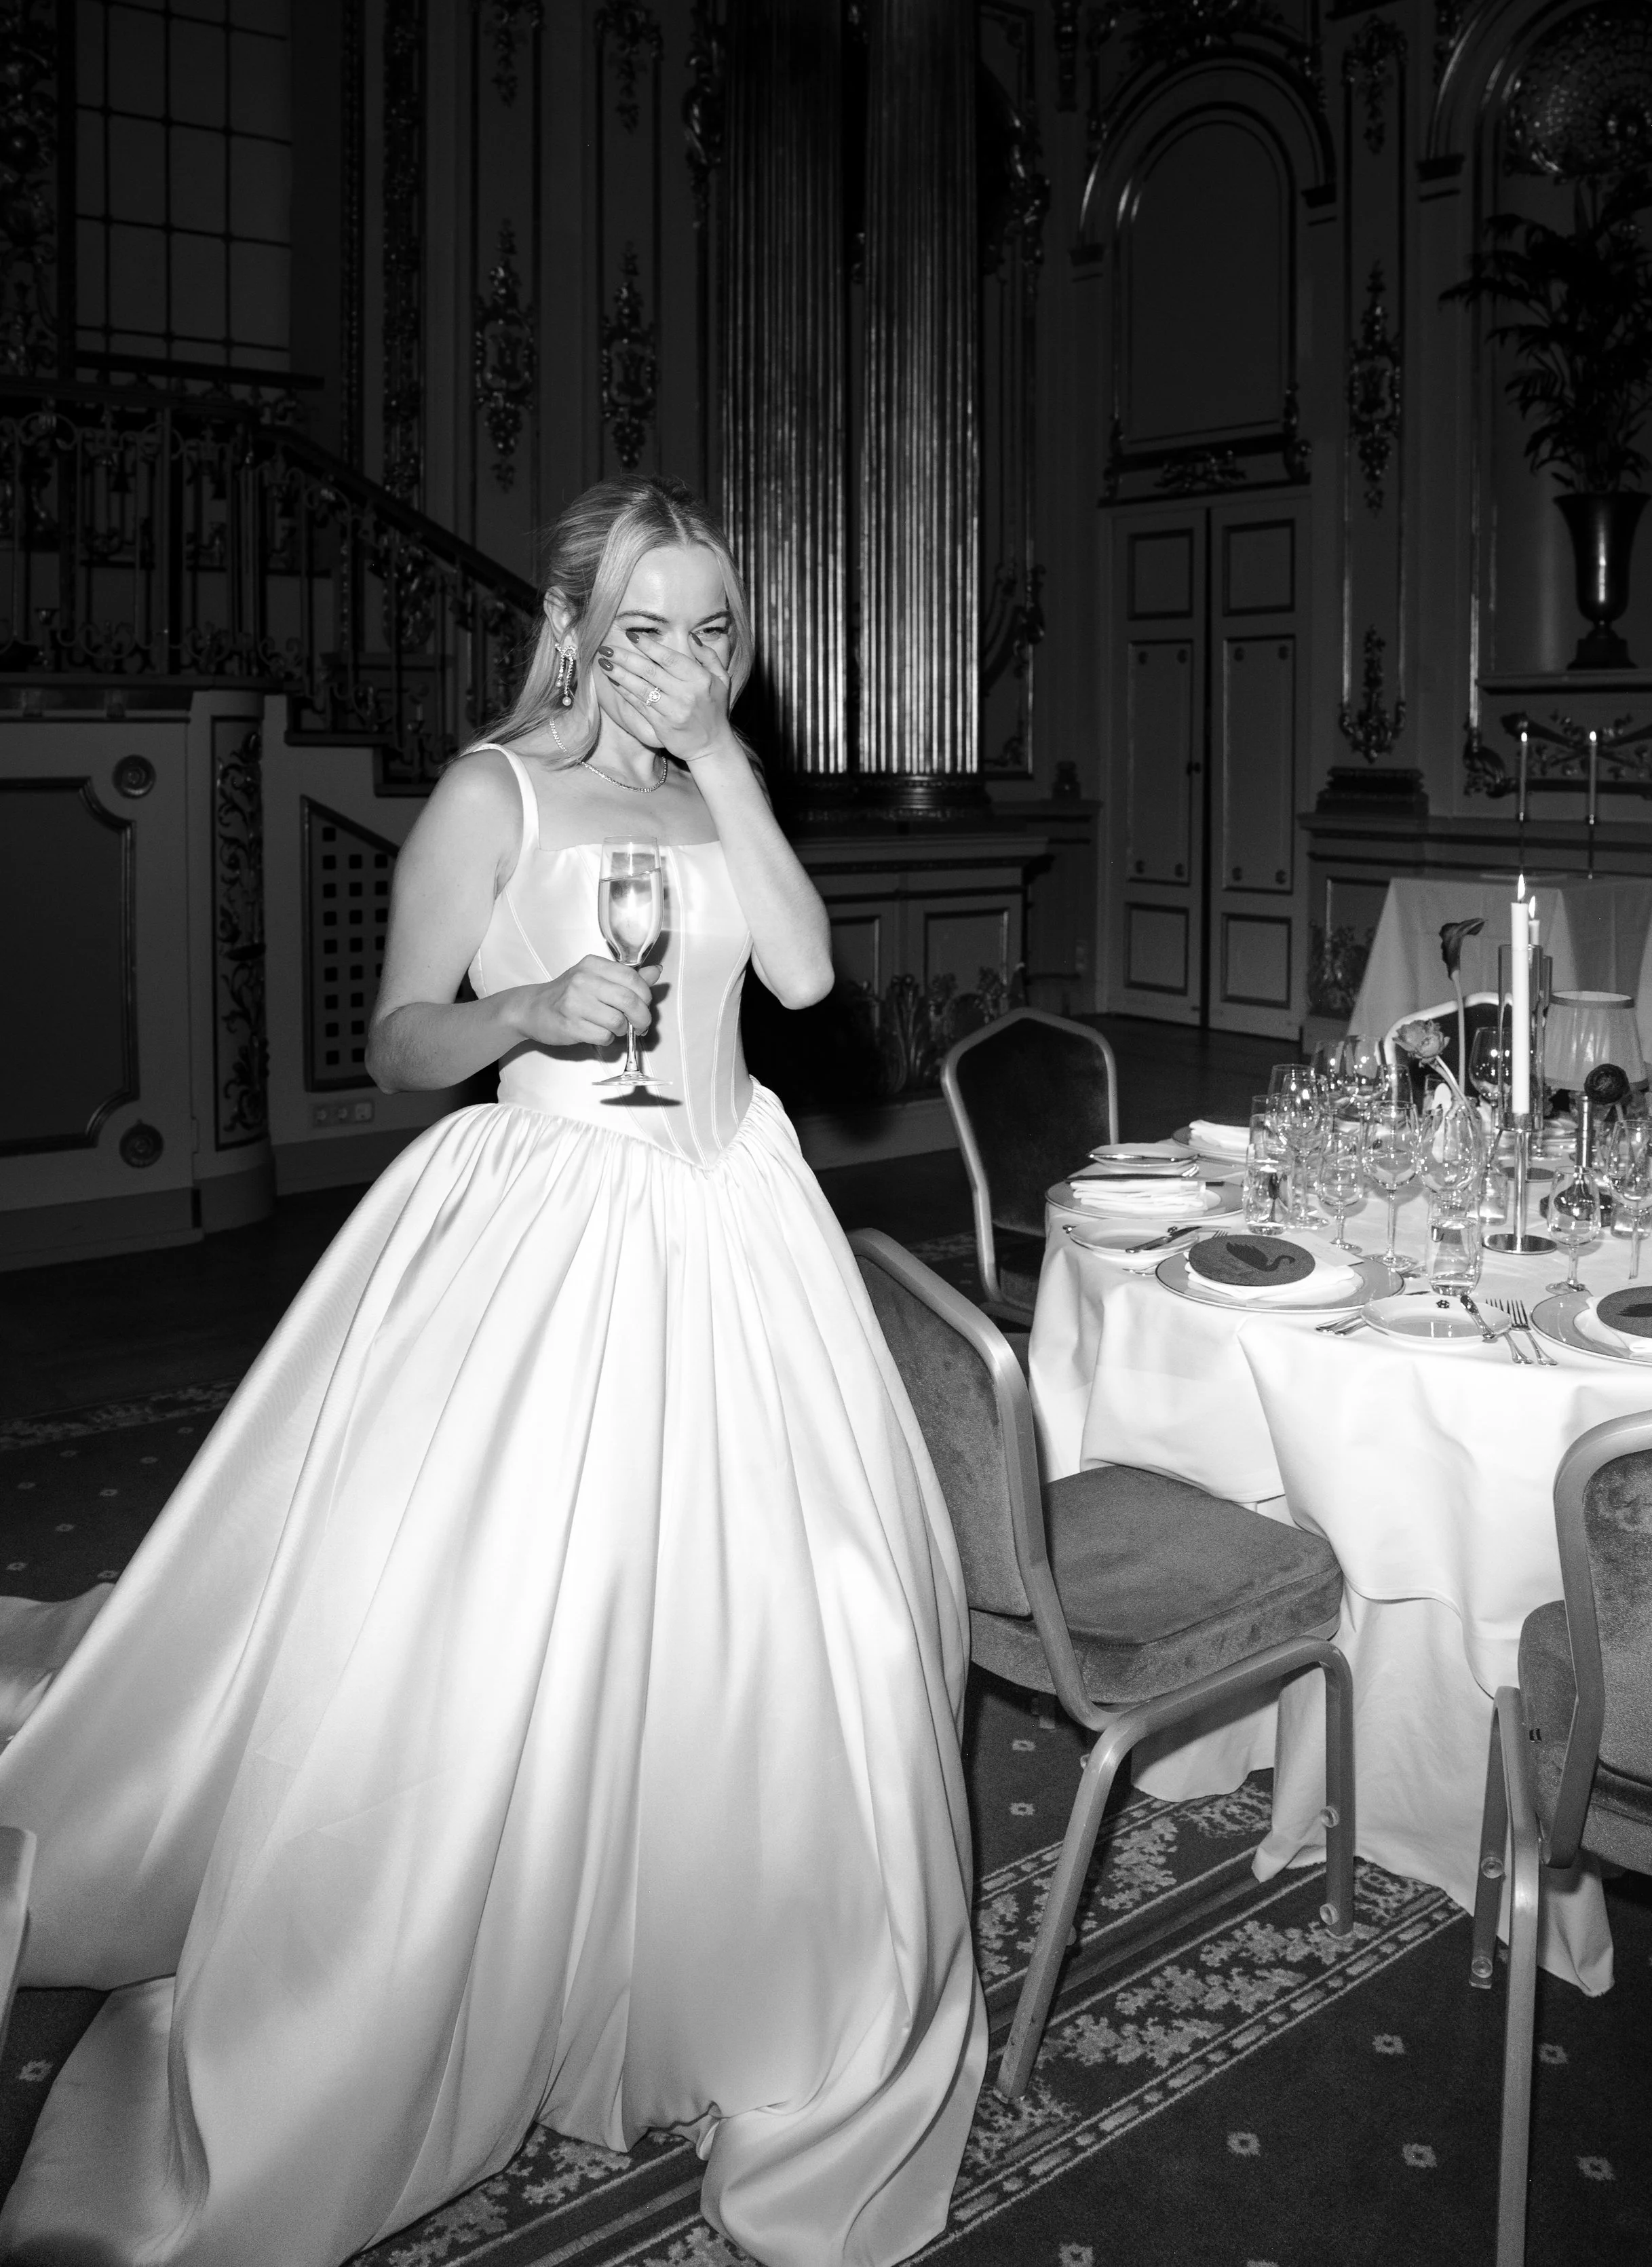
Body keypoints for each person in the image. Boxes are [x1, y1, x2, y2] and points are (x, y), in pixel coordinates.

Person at [0, 477, 987, 2267]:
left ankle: (726, 1967)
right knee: (506, 1617)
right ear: (572, 628)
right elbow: (397, 1037)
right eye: (645, 628)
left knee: (782, 1617)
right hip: (551, 1215)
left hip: (737, 1216)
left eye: (713, 630)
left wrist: (737, 776)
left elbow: (801, 967)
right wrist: (527, 1011)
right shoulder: (492, 789)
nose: (683, 662)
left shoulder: (714, 784)